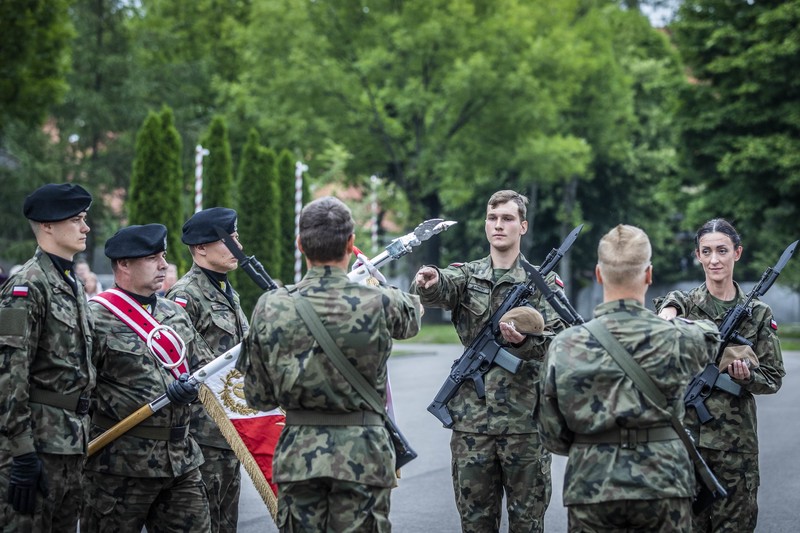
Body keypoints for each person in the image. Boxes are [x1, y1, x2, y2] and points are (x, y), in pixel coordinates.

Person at [237, 196, 422, 532]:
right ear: (351, 244)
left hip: (299, 457)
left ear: (300, 245)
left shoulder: (270, 307)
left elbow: (258, 397)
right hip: (364, 455)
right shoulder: (380, 301)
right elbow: (412, 318)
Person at [536, 224, 721, 531]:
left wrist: (595, 446)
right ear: (648, 275)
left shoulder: (565, 344)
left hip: (592, 484)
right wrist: (673, 314)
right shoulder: (680, 338)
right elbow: (710, 335)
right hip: (663, 483)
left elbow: (551, 433)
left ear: (598, 274)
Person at [410, 189, 567, 533]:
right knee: (476, 524)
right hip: (472, 428)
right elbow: (442, 287)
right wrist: (429, 280)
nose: (499, 226)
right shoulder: (466, 275)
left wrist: (525, 343)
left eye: (508, 219)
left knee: (528, 525)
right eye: (493, 218)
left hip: (526, 425)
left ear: (522, 226)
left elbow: (562, 342)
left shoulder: (542, 283)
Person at [654, 218, 785, 533]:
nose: (714, 259)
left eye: (722, 250)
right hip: (684, 445)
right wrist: (667, 314)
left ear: (737, 253)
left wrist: (745, 377)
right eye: (707, 251)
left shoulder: (757, 314)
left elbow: (773, 377)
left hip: (734, 449)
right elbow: (665, 314)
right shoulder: (683, 304)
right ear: (697, 255)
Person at [82, 224, 212, 532]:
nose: (164, 265)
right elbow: (79, 390)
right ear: (124, 264)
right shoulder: (95, 317)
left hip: (181, 461)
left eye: (163, 256)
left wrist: (192, 388)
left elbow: (203, 368)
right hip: (120, 466)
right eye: (152, 258)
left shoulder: (174, 314)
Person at [0, 183, 95, 531]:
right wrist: (22, 451)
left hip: (71, 443)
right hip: (38, 445)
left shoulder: (71, 284)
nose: (85, 228)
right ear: (48, 226)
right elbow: (10, 373)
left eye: (84, 219)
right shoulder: (27, 285)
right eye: (77, 219)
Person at [166, 208, 249, 532]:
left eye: (237, 237)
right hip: (202, 436)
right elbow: (178, 367)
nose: (237, 245)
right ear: (201, 248)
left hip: (229, 431)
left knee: (226, 522)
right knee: (204, 523)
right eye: (228, 239)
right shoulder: (185, 296)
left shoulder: (228, 292)